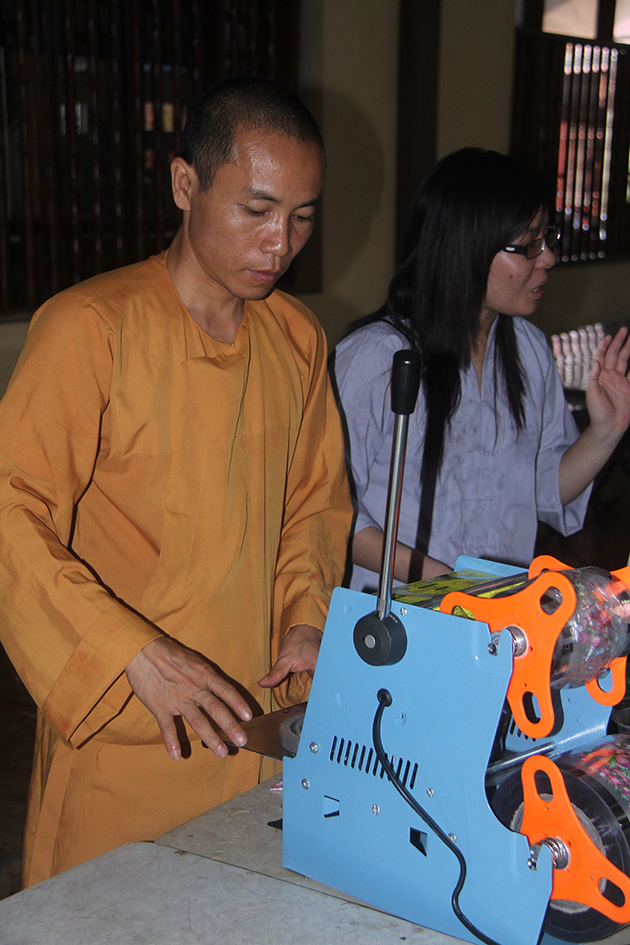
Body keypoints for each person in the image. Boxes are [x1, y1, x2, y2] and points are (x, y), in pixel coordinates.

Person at [0, 76, 352, 886]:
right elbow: (12, 513)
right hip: (129, 733)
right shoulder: (92, 328)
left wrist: (305, 619)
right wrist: (130, 651)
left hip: (254, 726)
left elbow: (313, 504)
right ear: (185, 184)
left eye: (302, 217)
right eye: (257, 210)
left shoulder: (296, 338)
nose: (280, 243)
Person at [333, 148, 630, 592]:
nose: (548, 258)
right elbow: (330, 509)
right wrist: (450, 583)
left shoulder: (528, 349)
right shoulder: (377, 358)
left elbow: (537, 492)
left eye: (547, 238)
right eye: (528, 245)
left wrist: (606, 431)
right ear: (467, 248)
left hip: (495, 610)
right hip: (400, 613)